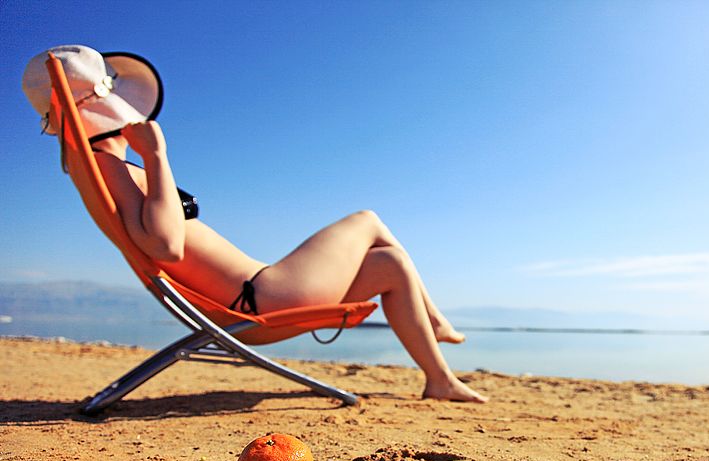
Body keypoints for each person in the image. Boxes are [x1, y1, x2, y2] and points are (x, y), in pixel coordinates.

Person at [23, 45, 487, 403]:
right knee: (367, 220)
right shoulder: (112, 168)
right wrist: (157, 155)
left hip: (258, 294)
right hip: (260, 299)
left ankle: (439, 379)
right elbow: (165, 244)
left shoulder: (96, 170)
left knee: (389, 263)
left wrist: (147, 161)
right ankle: (437, 322)